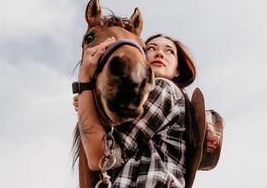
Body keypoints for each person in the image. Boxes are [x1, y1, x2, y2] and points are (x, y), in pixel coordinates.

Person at [73, 34, 196, 187]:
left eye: (169, 51)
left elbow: (100, 156)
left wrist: (84, 79)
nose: (159, 53)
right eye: (151, 48)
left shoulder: (164, 88)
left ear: (177, 70)